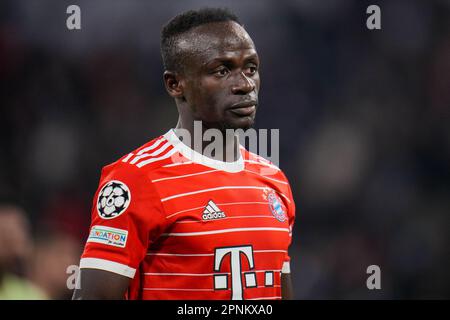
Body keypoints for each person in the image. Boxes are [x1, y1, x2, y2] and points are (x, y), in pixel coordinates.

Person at [73, 8, 296, 300]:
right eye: (222, 70)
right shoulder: (135, 179)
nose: (245, 85)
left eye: (251, 68)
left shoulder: (274, 181)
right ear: (175, 84)